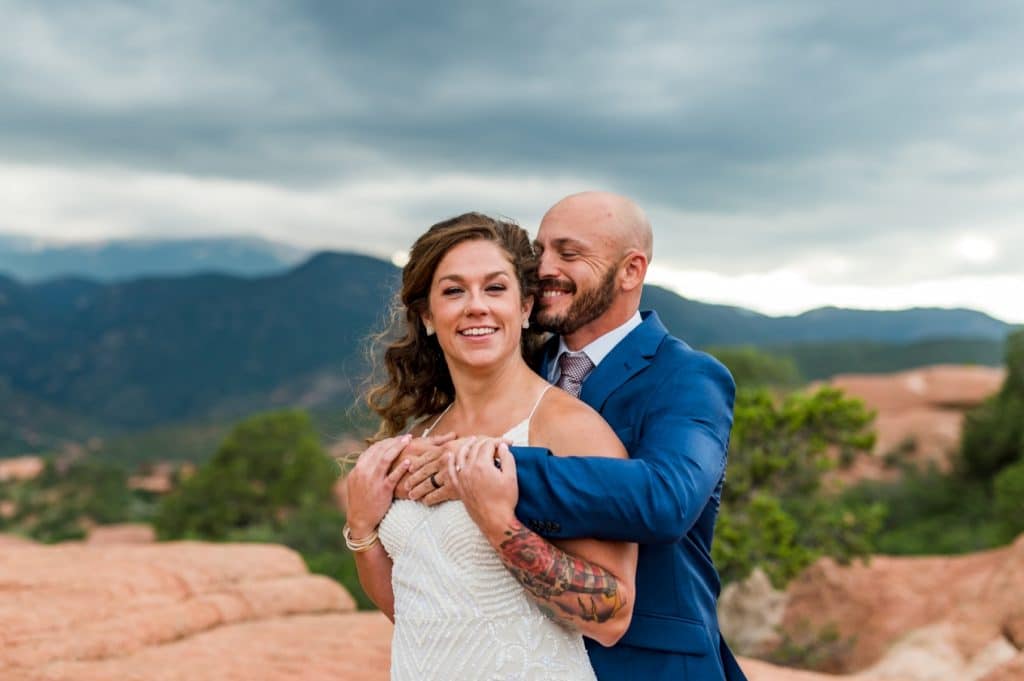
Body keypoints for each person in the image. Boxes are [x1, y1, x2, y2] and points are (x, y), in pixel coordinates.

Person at [404, 192, 747, 681]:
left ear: (630, 271)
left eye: (568, 254)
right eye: (539, 251)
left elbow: (666, 500)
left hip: (650, 662)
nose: (543, 268)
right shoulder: (516, 364)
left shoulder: (687, 377)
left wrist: (494, 467)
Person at [343, 213, 639, 681]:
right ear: (426, 317)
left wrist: (497, 520)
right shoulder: (419, 438)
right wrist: (361, 528)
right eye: (454, 291)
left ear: (525, 308)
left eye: (495, 288)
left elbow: (612, 616)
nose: (475, 306)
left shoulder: (569, 430)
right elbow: (415, 613)